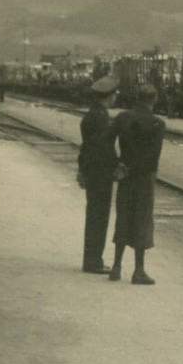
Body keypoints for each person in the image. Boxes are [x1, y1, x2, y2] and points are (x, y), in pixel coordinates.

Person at [109, 83, 166, 285]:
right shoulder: (158, 124)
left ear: (136, 98)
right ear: (154, 99)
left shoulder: (122, 118)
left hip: (125, 177)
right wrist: (137, 169)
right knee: (142, 220)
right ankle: (138, 271)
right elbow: (153, 158)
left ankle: (116, 267)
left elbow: (107, 143)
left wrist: (120, 165)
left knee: (123, 217)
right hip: (144, 179)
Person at [78, 76, 119, 274]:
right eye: (114, 94)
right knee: (99, 217)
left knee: (94, 215)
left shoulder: (92, 114)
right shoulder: (101, 118)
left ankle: (92, 259)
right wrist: (116, 167)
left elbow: (85, 147)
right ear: (108, 97)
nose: (116, 97)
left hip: (93, 171)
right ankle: (93, 261)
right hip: (101, 173)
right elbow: (104, 149)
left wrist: (82, 170)